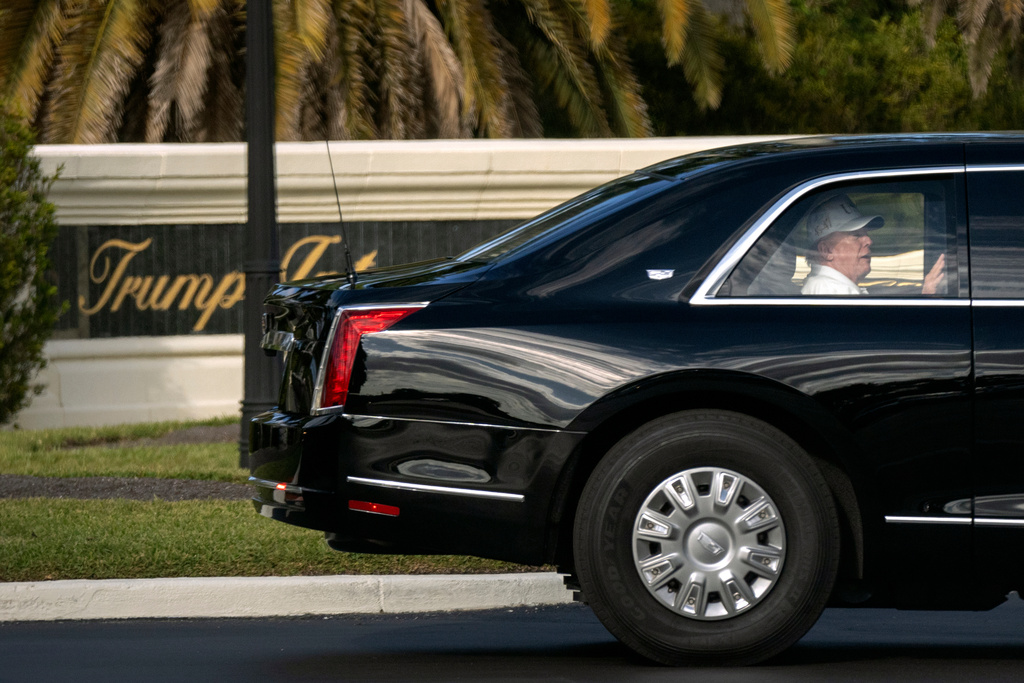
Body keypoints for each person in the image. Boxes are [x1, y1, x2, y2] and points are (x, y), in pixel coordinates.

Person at [801, 194, 946, 296]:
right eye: (856, 235)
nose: (869, 241)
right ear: (826, 250)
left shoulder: (827, 287)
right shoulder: (832, 291)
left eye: (866, 234)